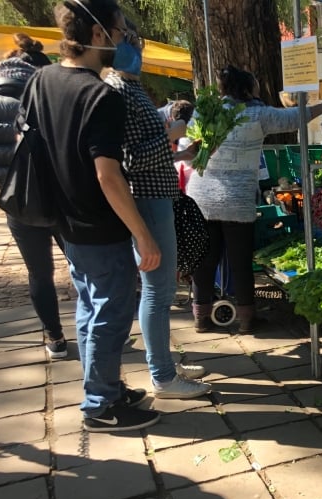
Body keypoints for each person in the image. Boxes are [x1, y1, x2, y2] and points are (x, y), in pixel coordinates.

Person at [33, 0, 162, 432]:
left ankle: (104, 388)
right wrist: (142, 234)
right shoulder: (99, 95)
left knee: (91, 309)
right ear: (96, 35)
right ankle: (100, 406)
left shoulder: (42, 79)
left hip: (64, 222)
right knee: (111, 314)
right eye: (119, 31)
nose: (123, 39)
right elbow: (108, 176)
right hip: (98, 224)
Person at [186, 65, 322, 334]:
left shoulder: (205, 111)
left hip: (201, 197)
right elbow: (295, 117)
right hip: (236, 199)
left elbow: (189, 143)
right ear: (247, 88)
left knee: (203, 260)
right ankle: (246, 320)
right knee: (240, 261)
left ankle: (201, 318)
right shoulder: (259, 114)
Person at [104, 21, 211, 399]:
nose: (136, 49)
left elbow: (144, 150)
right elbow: (128, 158)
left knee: (163, 289)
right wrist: (169, 136)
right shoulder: (117, 90)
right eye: (128, 42)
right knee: (157, 290)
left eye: (137, 43)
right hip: (147, 199)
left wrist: (178, 151)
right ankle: (164, 377)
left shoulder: (131, 88)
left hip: (157, 195)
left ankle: (164, 363)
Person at [0, 37, 68, 359]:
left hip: (18, 202)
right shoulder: (46, 94)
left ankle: (55, 338)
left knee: (40, 273)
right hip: (61, 197)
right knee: (83, 263)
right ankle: (97, 329)